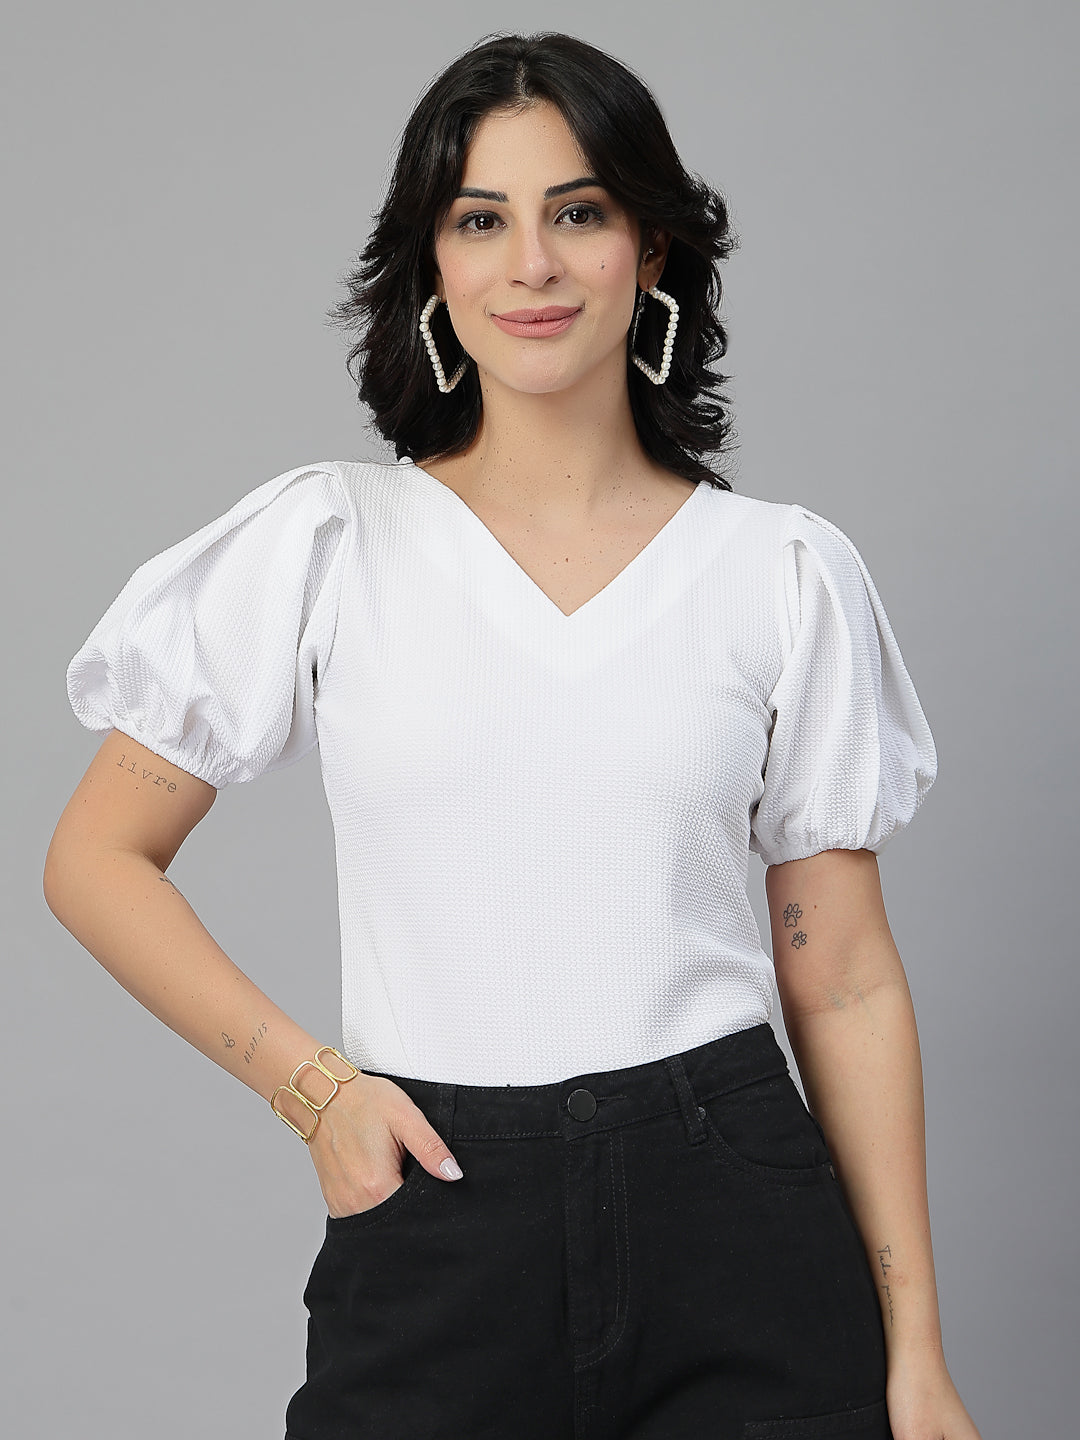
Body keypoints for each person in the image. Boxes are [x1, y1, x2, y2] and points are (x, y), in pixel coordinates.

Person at [44, 29, 982, 1440]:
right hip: (441, 1209)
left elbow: (843, 979)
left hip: (736, 1213)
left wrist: (917, 1353)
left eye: (578, 213)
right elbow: (95, 859)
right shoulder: (329, 543)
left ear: (650, 250)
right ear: (433, 265)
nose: (531, 264)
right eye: (481, 221)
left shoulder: (779, 572)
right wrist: (317, 1093)